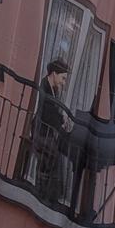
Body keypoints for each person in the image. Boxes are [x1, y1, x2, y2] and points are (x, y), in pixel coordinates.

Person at [33, 59, 76, 209]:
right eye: (63, 78)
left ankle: (50, 195)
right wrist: (61, 122)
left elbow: (53, 111)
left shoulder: (54, 90)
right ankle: (45, 194)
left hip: (47, 131)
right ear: (54, 74)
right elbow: (47, 113)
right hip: (40, 130)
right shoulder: (44, 86)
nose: (63, 82)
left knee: (57, 155)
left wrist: (62, 119)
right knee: (53, 155)